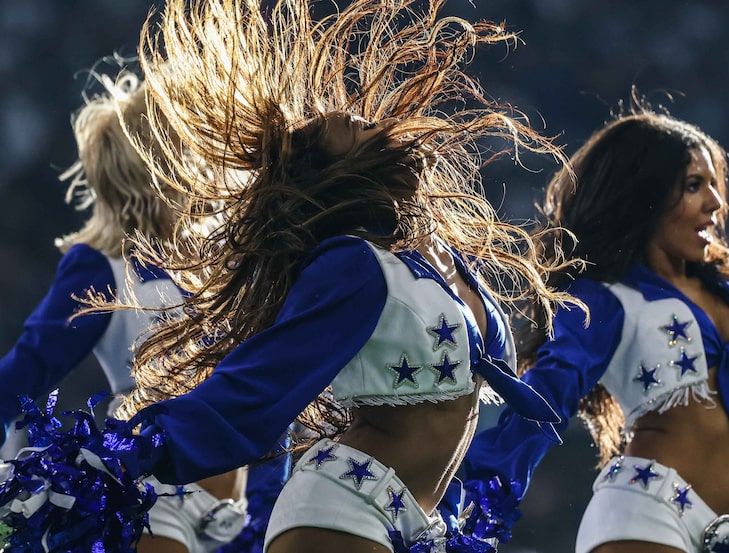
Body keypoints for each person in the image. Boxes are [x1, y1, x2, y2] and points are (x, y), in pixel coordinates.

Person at [0, 0, 574, 552]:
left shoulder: (431, 258)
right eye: (348, 126)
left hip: (405, 523)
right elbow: (250, 393)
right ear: (333, 177)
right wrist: (117, 452)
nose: (368, 119)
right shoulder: (351, 265)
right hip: (339, 509)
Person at [460, 106, 729, 552]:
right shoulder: (607, 298)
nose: (715, 203)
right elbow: (543, 401)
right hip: (646, 510)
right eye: (692, 186)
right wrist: (473, 496)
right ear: (643, 194)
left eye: (713, 185)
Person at [0, 70, 272, 553]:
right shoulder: (102, 266)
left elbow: (267, 398)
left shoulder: (232, 266)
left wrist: (269, 505)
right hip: (154, 495)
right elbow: (22, 375)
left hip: (240, 508)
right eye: (198, 137)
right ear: (164, 159)